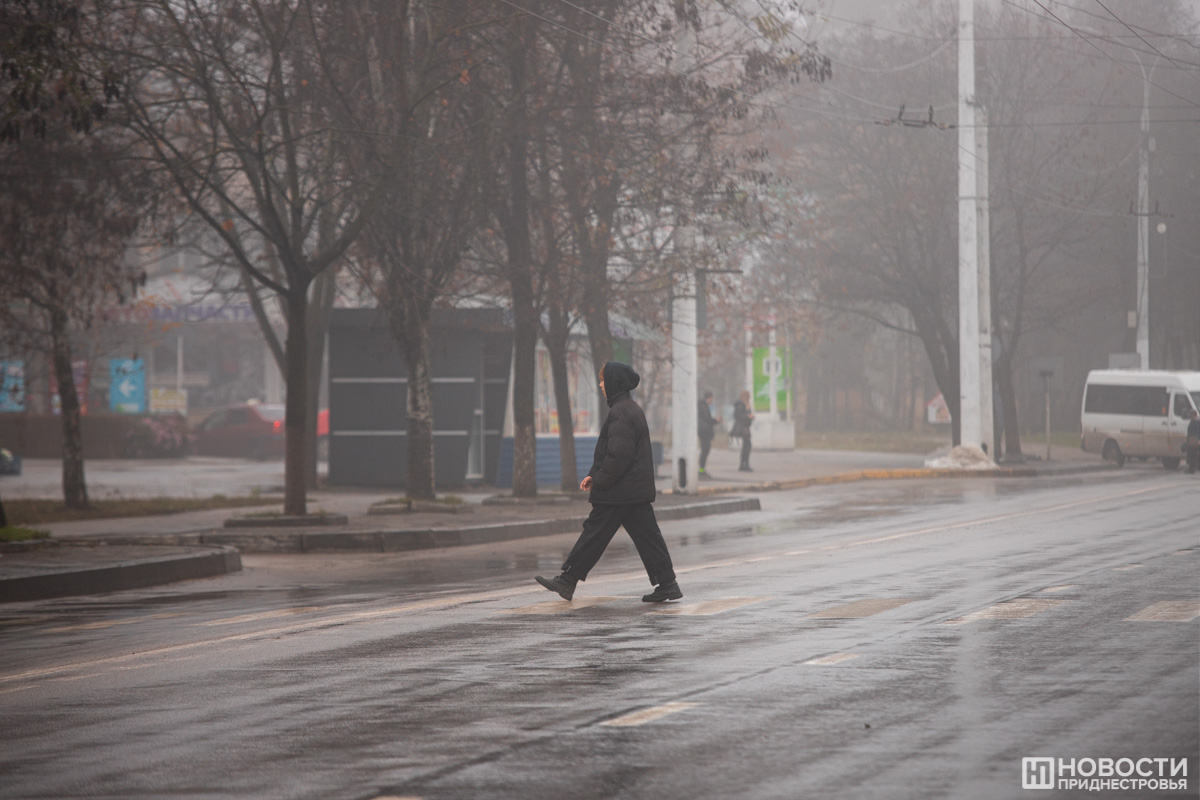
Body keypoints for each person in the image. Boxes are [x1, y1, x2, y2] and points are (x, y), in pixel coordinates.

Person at [535, 361, 683, 603]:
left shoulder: (620, 412)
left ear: (614, 382)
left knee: (594, 534)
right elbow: (616, 453)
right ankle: (668, 584)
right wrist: (595, 474)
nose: (601, 385)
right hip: (633, 490)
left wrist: (599, 479)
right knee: (648, 538)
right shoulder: (630, 408)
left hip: (620, 491)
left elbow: (618, 456)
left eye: (603, 380)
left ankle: (568, 580)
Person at [697, 390, 721, 478]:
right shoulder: (703, 406)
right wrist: (716, 420)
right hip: (705, 433)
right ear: (709, 398)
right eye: (712, 398)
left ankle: (702, 470)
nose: (712, 400)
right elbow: (707, 420)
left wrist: (715, 421)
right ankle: (701, 471)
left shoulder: (702, 406)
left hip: (704, 432)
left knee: (705, 451)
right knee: (705, 451)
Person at [731, 389, 755, 472]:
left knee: (746, 446)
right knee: (747, 446)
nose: (749, 398)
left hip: (746, 427)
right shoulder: (740, 405)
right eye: (748, 396)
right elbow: (738, 416)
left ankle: (743, 464)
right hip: (742, 428)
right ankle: (744, 464)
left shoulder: (746, 404)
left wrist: (750, 416)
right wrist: (747, 416)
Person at [1187, 409, 1200, 475]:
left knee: (1193, 454)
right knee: (1193, 454)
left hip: (1194, 440)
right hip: (1192, 439)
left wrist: (1198, 440)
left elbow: (1198, 431)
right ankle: (1191, 468)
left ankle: (1191, 469)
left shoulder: (1196, 422)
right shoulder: (1193, 421)